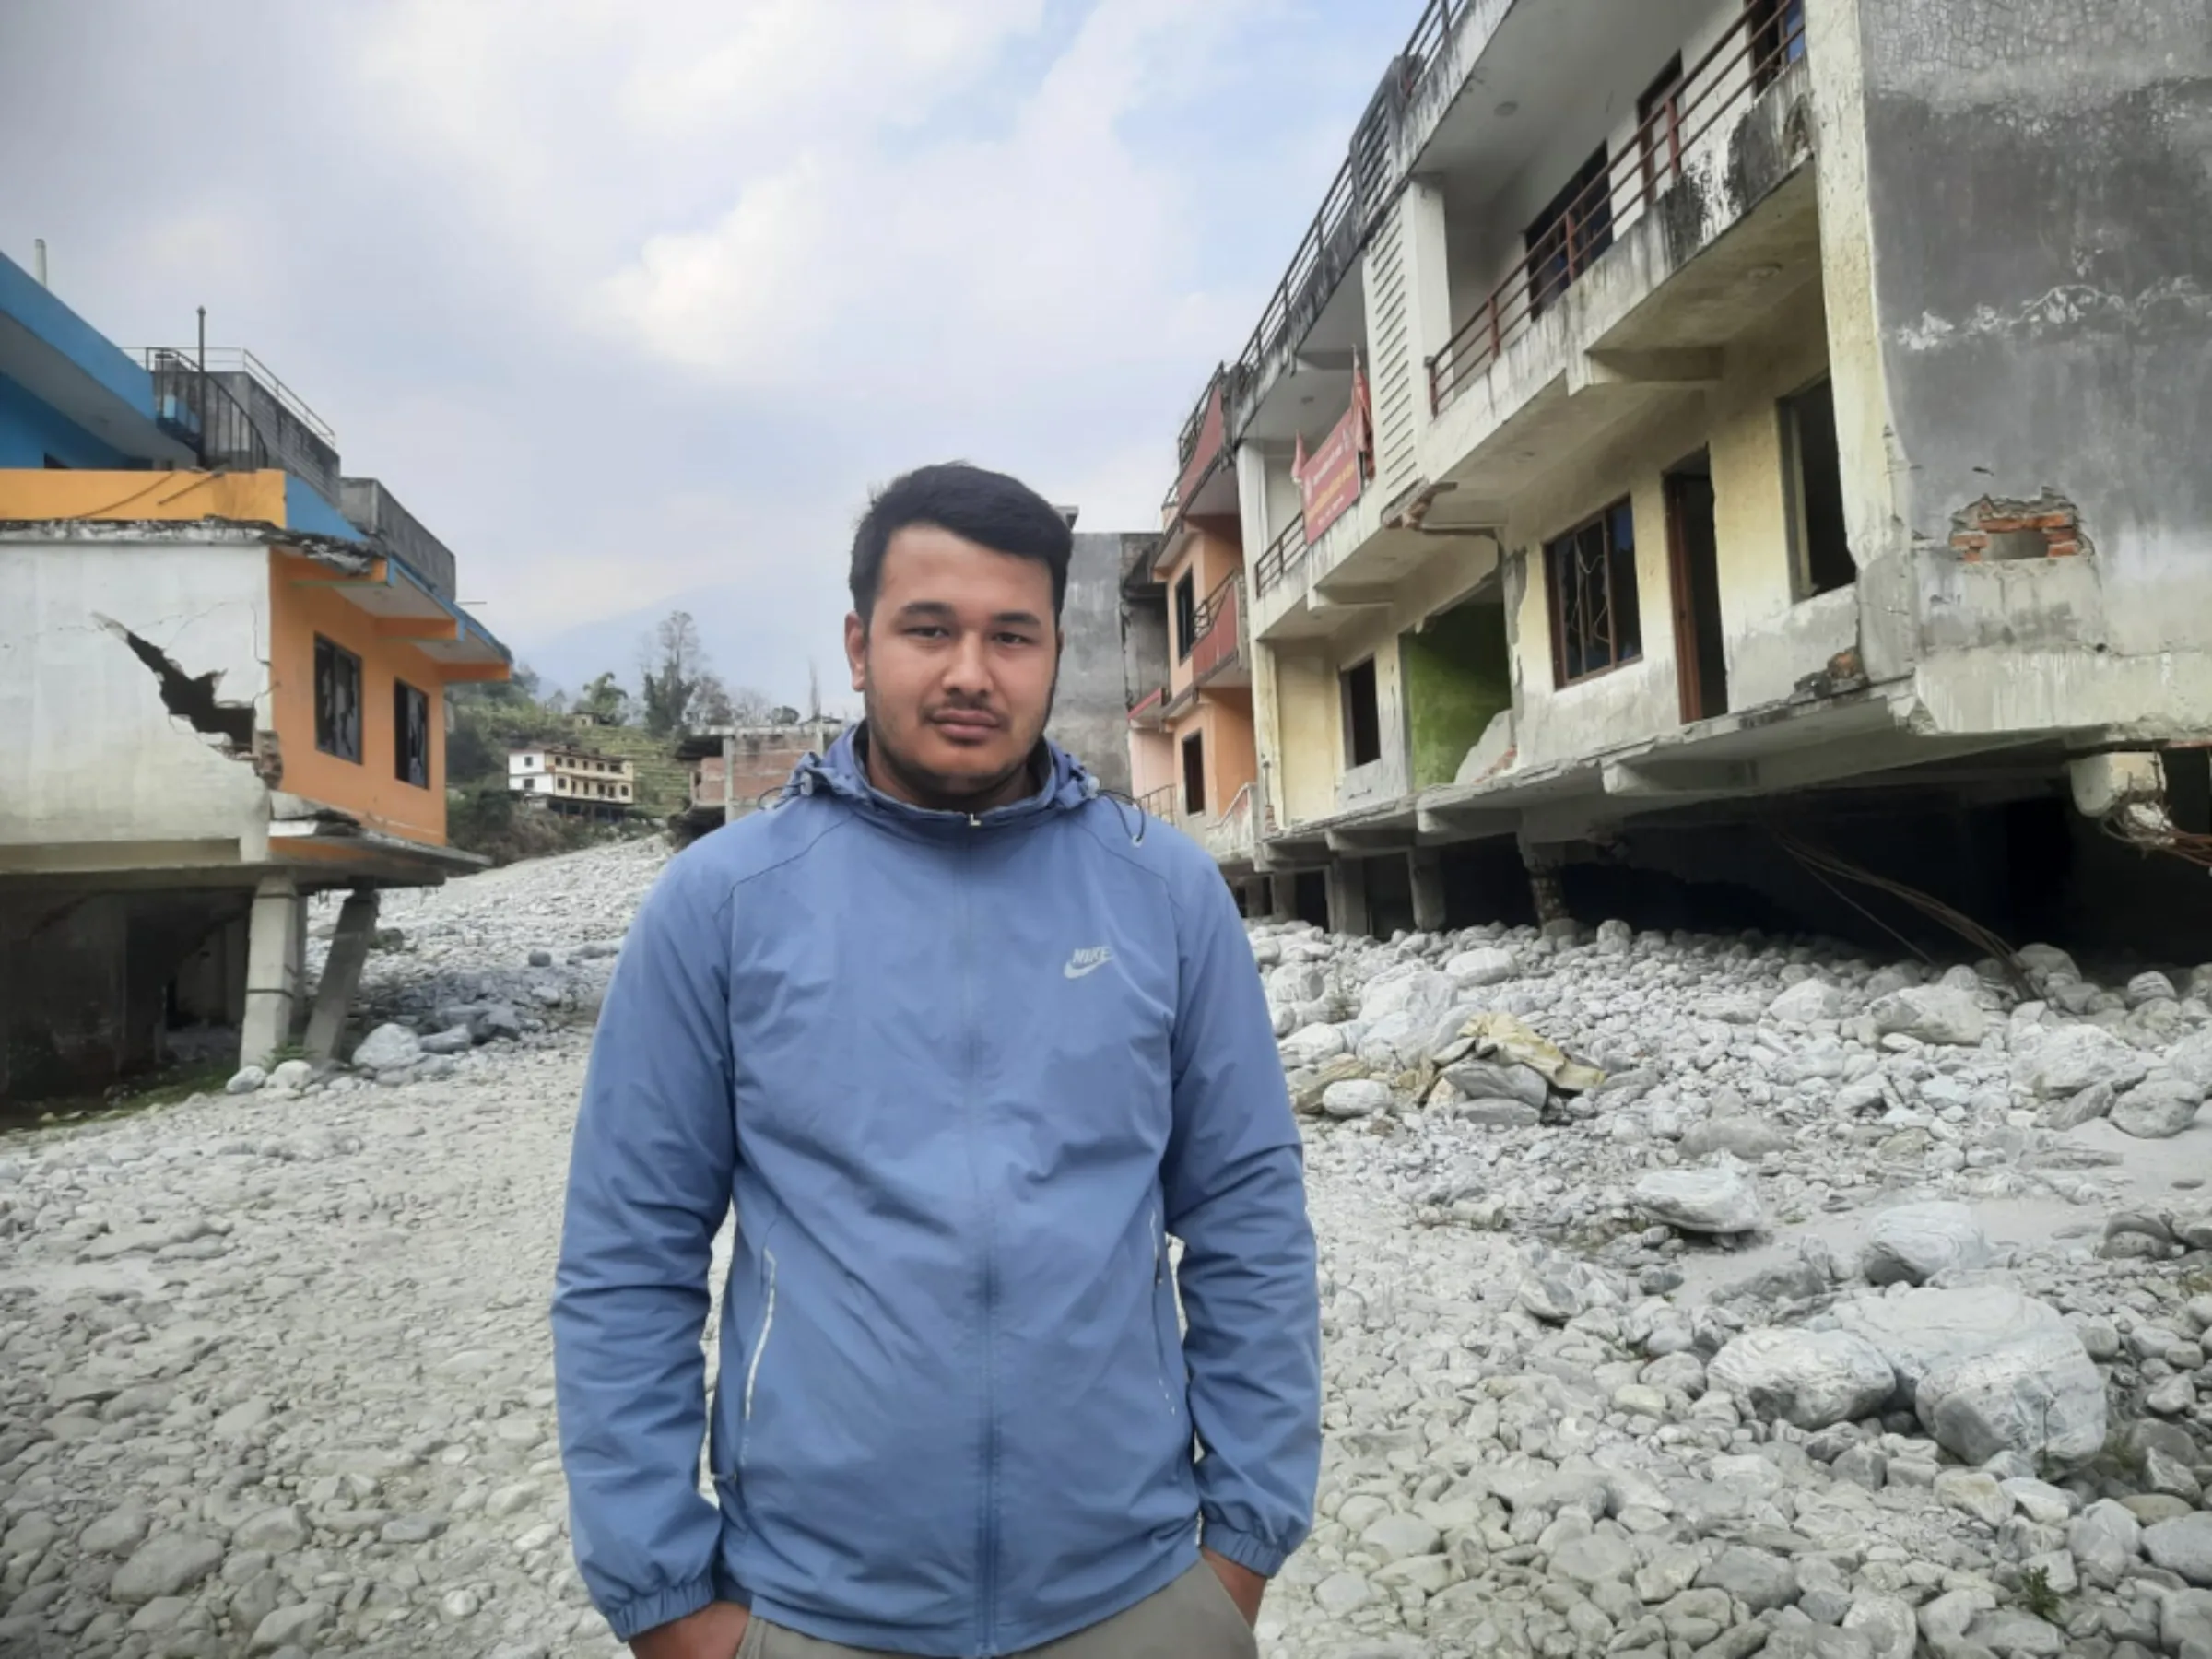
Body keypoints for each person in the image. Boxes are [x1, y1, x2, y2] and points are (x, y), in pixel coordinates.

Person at [552, 462, 1321, 1659]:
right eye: (931, 629)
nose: (972, 672)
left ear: (1053, 650)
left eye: (1012, 634)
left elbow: (1248, 1218)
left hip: (1141, 1598)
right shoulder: (722, 905)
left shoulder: (1162, 893)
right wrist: (664, 1606)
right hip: (811, 1612)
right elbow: (625, 1258)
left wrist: (1240, 1556)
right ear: (859, 646)